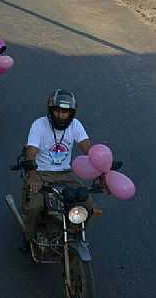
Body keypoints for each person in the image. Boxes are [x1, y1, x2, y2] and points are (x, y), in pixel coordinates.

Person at [20, 89, 96, 246]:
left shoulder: (75, 125)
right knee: (35, 207)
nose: (61, 115)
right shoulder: (39, 125)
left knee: (89, 206)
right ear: (51, 110)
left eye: (65, 112)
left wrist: (102, 171)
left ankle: (74, 233)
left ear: (71, 113)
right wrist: (33, 174)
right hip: (41, 173)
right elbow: (31, 152)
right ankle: (29, 239)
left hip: (66, 174)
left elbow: (88, 147)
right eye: (58, 111)